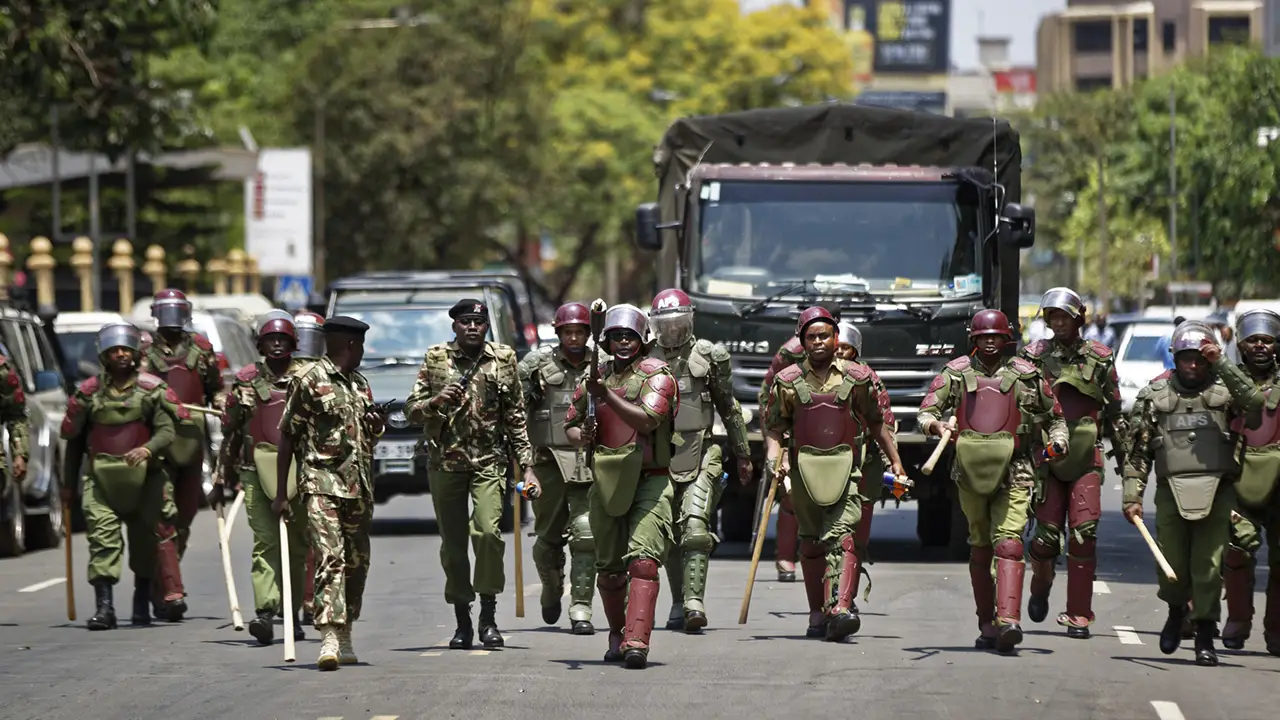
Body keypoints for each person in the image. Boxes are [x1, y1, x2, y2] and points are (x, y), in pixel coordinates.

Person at [918, 309, 1068, 655]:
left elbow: (1056, 417)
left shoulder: (1027, 375)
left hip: (1016, 469)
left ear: (1006, 339)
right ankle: (986, 623)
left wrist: (1058, 441)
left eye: (995, 336)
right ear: (974, 339)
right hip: (969, 473)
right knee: (980, 545)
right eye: (983, 336)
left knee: (1009, 543)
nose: (989, 342)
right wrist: (936, 426)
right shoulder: (955, 375)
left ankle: (1008, 620)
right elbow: (925, 412)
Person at [1124, 320, 1263, 666]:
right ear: (1175, 358)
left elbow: (1256, 405)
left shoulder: (1224, 392)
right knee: (1171, 564)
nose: (1193, 365)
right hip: (1171, 492)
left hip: (1218, 492)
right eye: (1186, 358)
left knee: (1209, 566)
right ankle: (1175, 612)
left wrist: (1224, 363)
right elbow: (1137, 452)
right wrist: (1132, 495)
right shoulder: (1154, 396)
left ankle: (1204, 634)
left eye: (1201, 359)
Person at [402, 299, 538, 651]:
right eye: (466, 321)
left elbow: (517, 418)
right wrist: (435, 401)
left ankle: (488, 616)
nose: (473, 327)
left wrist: (528, 466)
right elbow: (410, 411)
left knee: (489, 533)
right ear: (455, 327)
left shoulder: (504, 358)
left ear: (486, 326)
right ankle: (463, 620)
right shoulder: (436, 359)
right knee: (454, 544)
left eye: (479, 321)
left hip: (488, 463)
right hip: (445, 463)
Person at [764, 307, 905, 643]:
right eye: (811, 336)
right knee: (811, 543)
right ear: (802, 341)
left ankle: (840, 608)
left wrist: (895, 461)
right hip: (803, 473)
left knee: (842, 536)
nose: (818, 342)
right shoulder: (786, 383)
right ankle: (817, 613)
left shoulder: (859, 378)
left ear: (835, 337)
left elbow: (877, 422)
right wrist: (774, 457)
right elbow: (773, 427)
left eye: (824, 335)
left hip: (848, 471)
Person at [564, 304, 679, 669]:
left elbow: (647, 421)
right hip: (607, 479)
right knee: (610, 567)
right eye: (615, 337)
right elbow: (570, 424)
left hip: (651, 480)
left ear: (643, 341)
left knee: (643, 561)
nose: (623, 343)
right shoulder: (594, 378)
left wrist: (606, 395)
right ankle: (616, 634)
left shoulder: (658, 376)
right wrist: (581, 435)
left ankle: (636, 641)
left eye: (629, 336)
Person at [274, 316, 386, 671]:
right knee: (329, 557)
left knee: (356, 564)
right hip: (321, 482)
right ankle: (329, 636)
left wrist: (376, 425)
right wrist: (281, 493)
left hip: (358, 487)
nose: (363, 352)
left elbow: (368, 437)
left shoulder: (360, 384)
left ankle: (347, 630)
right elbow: (288, 436)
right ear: (350, 345)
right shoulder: (309, 381)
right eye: (361, 346)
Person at [61, 322, 185, 628]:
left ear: (135, 353)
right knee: (103, 540)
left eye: (125, 349)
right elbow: (74, 442)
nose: (120, 355)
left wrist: (147, 449)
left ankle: (141, 602)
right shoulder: (88, 394)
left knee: (145, 541)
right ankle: (105, 608)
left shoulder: (151, 390)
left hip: (147, 479)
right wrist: (67, 485)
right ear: (104, 355)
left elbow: (168, 430)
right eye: (114, 350)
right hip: (101, 480)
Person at [1019, 288, 1126, 639]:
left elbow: (1114, 411)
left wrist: (1129, 464)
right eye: (1053, 316)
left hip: (1085, 458)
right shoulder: (1032, 357)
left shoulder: (1100, 357)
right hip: (1046, 458)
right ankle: (1041, 580)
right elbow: (1018, 406)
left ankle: (1079, 614)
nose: (1059, 322)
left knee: (1085, 535)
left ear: (1078, 318)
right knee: (1045, 538)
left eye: (1065, 315)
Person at [647, 289, 751, 632]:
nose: (673, 331)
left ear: (690, 321)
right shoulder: (643, 358)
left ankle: (694, 602)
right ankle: (677, 603)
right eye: (666, 325)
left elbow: (729, 407)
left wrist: (743, 455)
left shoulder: (711, 356)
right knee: (670, 533)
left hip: (704, 451)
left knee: (694, 526)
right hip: (658, 456)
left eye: (679, 324)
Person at [216, 315, 308, 645]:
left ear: (295, 343)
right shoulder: (246, 383)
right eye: (271, 339)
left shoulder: (309, 378)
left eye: (284, 338)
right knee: (266, 543)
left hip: (301, 472)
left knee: (297, 547)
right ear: (261, 345)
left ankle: (293, 613)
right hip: (255, 471)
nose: (278, 344)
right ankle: (266, 614)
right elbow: (230, 435)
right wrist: (219, 478)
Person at [139, 289, 223, 617]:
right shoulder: (144, 351)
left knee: (185, 516)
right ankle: (172, 591)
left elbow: (215, 388)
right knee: (164, 517)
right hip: (158, 444)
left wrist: (219, 403)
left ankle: (161, 584)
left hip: (191, 441)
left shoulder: (202, 350)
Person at [517, 302, 598, 634]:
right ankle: (551, 588)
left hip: (590, 463)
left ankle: (581, 608)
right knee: (548, 539)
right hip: (548, 462)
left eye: (580, 331)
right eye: (569, 332)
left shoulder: (604, 365)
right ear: (558, 332)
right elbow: (514, 415)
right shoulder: (536, 366)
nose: (575, 337)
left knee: (585, 534)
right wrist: (524, 466)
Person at [759, 302, 842, 583]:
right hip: (794, 428)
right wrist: (775, 445)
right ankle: (785, 557)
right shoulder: (791, 353)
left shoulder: (848, 349)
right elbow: (768, 394)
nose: (820, 340)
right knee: (792, 494)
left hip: (834, 435)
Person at [1221, 309, 1280, 654]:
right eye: (1252, 340)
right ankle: (1238, 622)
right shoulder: (1224, 383)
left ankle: (1276, 631)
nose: (1259, 346)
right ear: (1241, 345)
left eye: (1266, 340)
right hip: (1238, 477)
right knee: (1238, 551)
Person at [831, 320, 894, 604]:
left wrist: (893, 463)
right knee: (831, 534)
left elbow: (883, 420)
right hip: (825, 464)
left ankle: (847, 595)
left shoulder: (867, 377)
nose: (841, 353)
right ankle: (831, 594)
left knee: (857, 535)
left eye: (846, 348)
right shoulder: (812, 375)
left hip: (863, 464)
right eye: (837, 347)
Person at [292, 309, 327, 625]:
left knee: (315, 538)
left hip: (317, 466)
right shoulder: (272, 372)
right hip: (282, 462)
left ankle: (310, 599)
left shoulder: (327, 375)